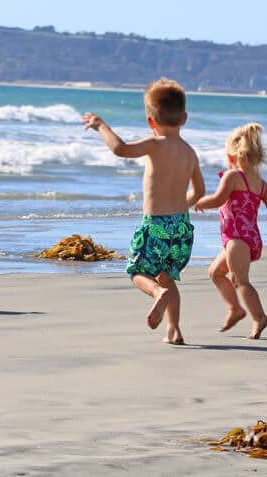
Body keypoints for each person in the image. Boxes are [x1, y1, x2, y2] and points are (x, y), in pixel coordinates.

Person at [82, 78, 205, 345]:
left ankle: (156, 294)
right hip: (182, 228)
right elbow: (199, 192)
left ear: (151, 121)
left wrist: (101, 126)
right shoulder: (190, 153)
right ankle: (174, 330)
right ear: (184, 118)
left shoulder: (155, 144)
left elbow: (120, 149)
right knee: (168, 276)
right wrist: (181, 204)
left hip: (156, 225)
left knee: (137, 271)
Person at [194, 122, 267, 339]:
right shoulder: (261, 184)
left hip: (237, 239)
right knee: (215, 272)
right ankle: (235, 309)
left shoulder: (232, 177)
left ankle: (259, 317)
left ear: (232, 156)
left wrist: (199, 202)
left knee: (241, 280)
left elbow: (218, 199)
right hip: (250, 238)